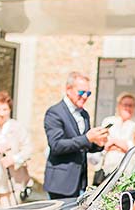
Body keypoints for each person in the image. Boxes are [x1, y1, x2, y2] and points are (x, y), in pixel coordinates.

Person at [44, 71, 109, 200]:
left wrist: (98, 143)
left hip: (80, 181)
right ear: (68, 90)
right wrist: (87, 138)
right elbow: (56, 145)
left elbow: (85, 144)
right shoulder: (54, 113)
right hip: (61, 182)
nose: (85, 96)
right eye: (81, 92)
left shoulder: (84, 114)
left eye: (88, 93)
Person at [90, 92, 135, 182]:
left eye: (131, 105)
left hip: (126, 172)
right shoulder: (109, 121)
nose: (128, 108)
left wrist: (114, 142)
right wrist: (122, 146)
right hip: (106, 169)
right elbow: (104, 144)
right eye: (125, 105)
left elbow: (134, 148)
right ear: (119, 106)